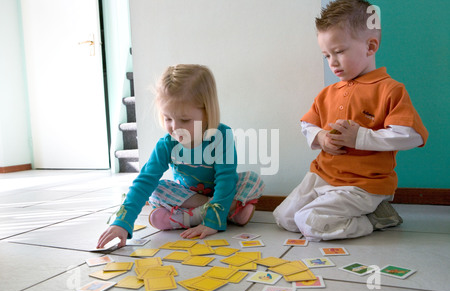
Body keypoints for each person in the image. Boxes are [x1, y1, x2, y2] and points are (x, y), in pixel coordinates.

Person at [273, 0, 428, 241]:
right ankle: (336, 208)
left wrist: (362, 137)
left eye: (339, 52)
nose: (332, 62)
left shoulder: (390, 89)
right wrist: (320, 137)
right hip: (322, 175)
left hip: (364, 184)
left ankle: (374, 217)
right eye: (326, 55)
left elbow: (412, 135)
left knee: (309, 223)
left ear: (370, 46)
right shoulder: (328, 93)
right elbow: (307, 124)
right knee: (284, 217)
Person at [97, 64, 264, 248]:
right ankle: (230, 211)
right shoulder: (167, 143)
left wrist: (211, 224)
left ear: (207, 113)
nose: (175, 127)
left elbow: (226, 179)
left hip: (217, 193)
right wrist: (122, 222)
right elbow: (145, 180)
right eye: (168, 118)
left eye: (184, 120)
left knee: (252, 179)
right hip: (189, 197)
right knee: (156, 189)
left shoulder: (222, 136)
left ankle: (186, 218)